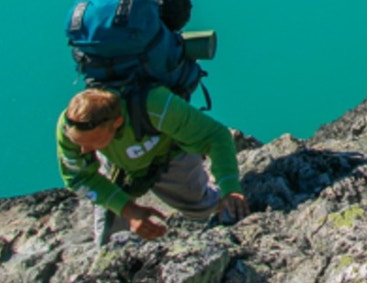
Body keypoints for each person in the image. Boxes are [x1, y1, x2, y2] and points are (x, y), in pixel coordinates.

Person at [57, 85, 249, 248]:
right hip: (119, 163)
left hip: (168, 155)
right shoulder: (69, 128)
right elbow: (79, 178)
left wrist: (230, 187)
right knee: (109, 241)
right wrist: (128, 210)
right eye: (78, 142)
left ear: (117, 122)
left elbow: (216, 137)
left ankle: (221, 198)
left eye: (93, 141)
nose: (83, 149)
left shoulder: (156, 106)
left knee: (201, 207)